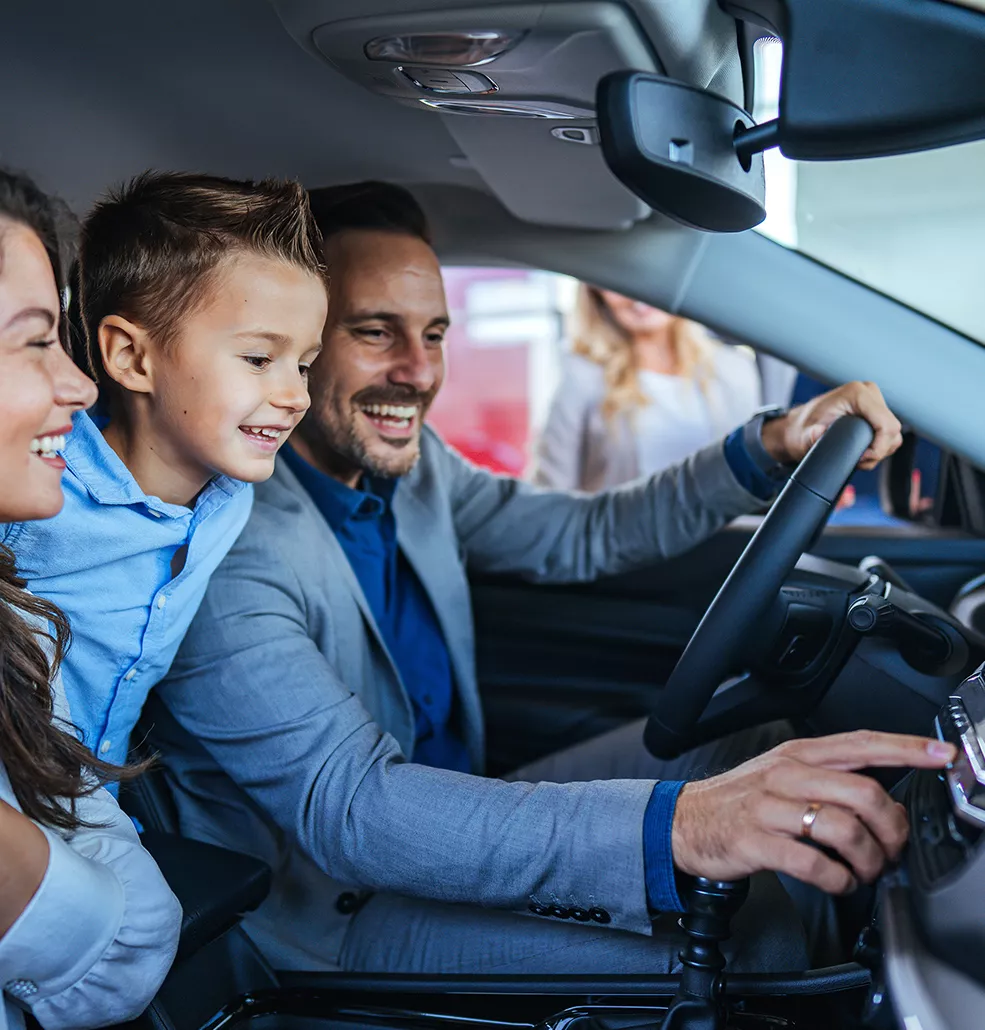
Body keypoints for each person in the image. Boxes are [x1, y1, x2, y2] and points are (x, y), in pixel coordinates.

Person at [147, 181, 948, 977]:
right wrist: (676, 827)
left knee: (762, 748)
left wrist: (767, 447)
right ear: (303, 341)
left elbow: (585, 534)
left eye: (433, 334)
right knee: (753, 934)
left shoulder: (414, 477)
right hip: (341, 906)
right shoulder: (231, 552)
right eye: (374, 331)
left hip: (457, 797)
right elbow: (356, 812)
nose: (418, 372)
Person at [2, 171, 327, 780]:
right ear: (131, 358)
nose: (296, 396)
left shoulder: (229, 502)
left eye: (305, 366)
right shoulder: (35, 486)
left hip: (96, 799)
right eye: (259, 359)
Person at [0, 167, 181, 1029]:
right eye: (33, 342)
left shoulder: (18, 619)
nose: (76, 387)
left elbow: (138, 932)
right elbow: (121, 950)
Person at [533, 285, 762, 491]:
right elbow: (552, 488)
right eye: (618, 282)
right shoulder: (580, 374)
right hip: (625, 536)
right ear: (596, 291)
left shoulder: (734, 369)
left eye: (648, 280)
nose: (637, 295)